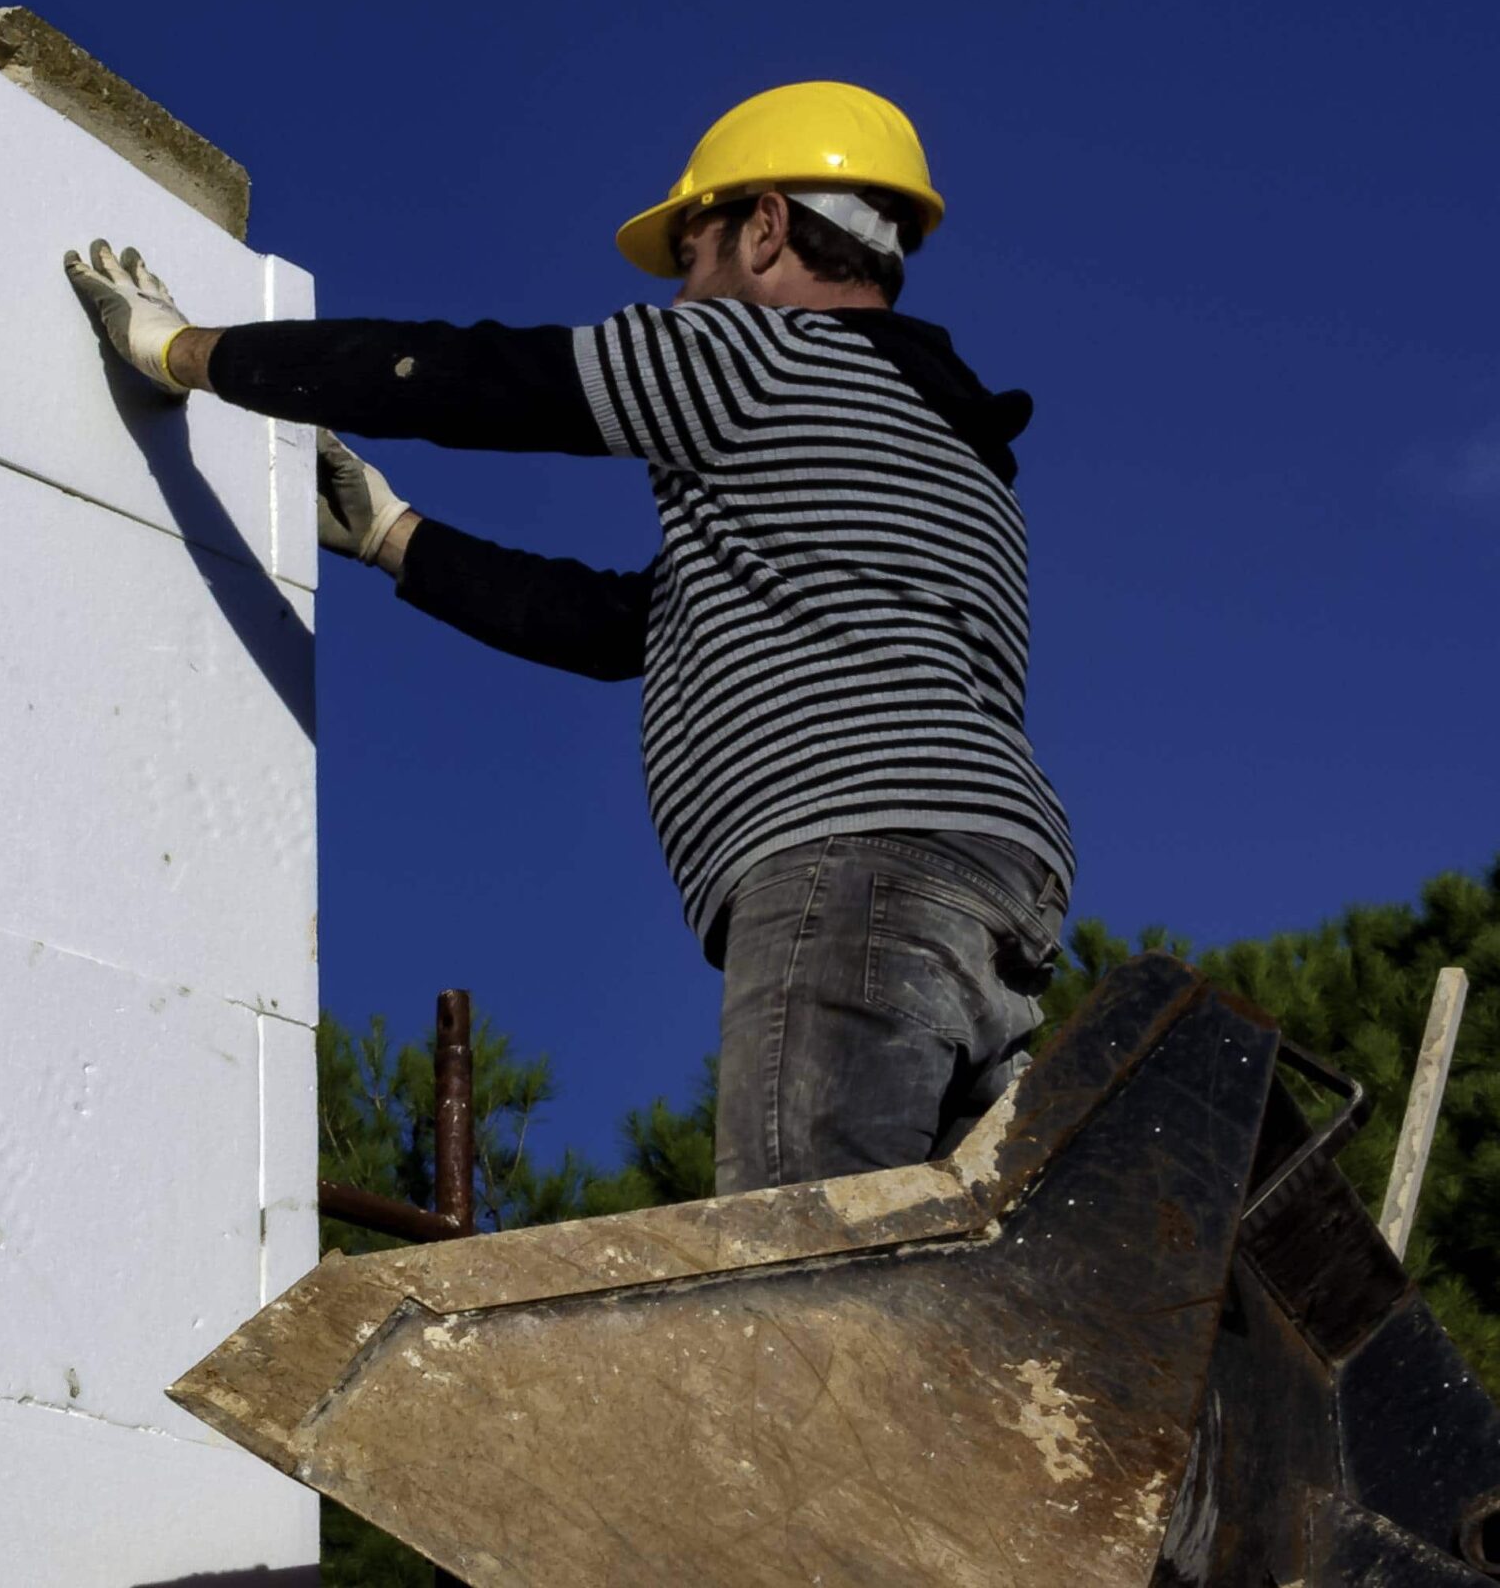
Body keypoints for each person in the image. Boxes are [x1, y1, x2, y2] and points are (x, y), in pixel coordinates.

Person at [66, 81, 1074, 1196]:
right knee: (939, 1293)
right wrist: (393, 535)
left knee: (803, 1273)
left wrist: (186, 352)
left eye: (690, 257)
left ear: (766, 226)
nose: (682, 294)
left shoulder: (755, 356)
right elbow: (624, 626)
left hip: (850, 866)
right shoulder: (955, 456)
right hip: (992, 895)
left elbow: (478, 380)